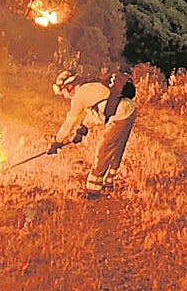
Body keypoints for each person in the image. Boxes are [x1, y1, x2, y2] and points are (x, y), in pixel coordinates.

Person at [47, 69, 137, 199]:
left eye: (64, 92)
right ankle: (108, 182)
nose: (65, 96)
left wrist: (57, 142)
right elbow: (98, 110)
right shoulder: (89, 87)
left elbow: (70, 122)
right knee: (116, 148)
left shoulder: (80, 95)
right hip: (129, 111)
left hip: (121, 116)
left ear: (68, 87)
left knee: (104, 150)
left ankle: (93, 191)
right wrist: (82, 130)